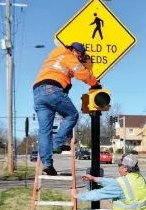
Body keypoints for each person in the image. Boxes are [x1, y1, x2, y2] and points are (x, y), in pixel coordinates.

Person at [33, 41, 100, 176]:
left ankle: (47, 164)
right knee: (72, 115)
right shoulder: (69, 56)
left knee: (45, 130)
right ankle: (57, 144)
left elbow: (59, 69)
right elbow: (82, 73)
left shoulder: (55, 53)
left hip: (37, 92)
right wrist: (95, 83)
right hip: (52, 89)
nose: (80, 59)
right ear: (75, 51)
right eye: (80, 56)